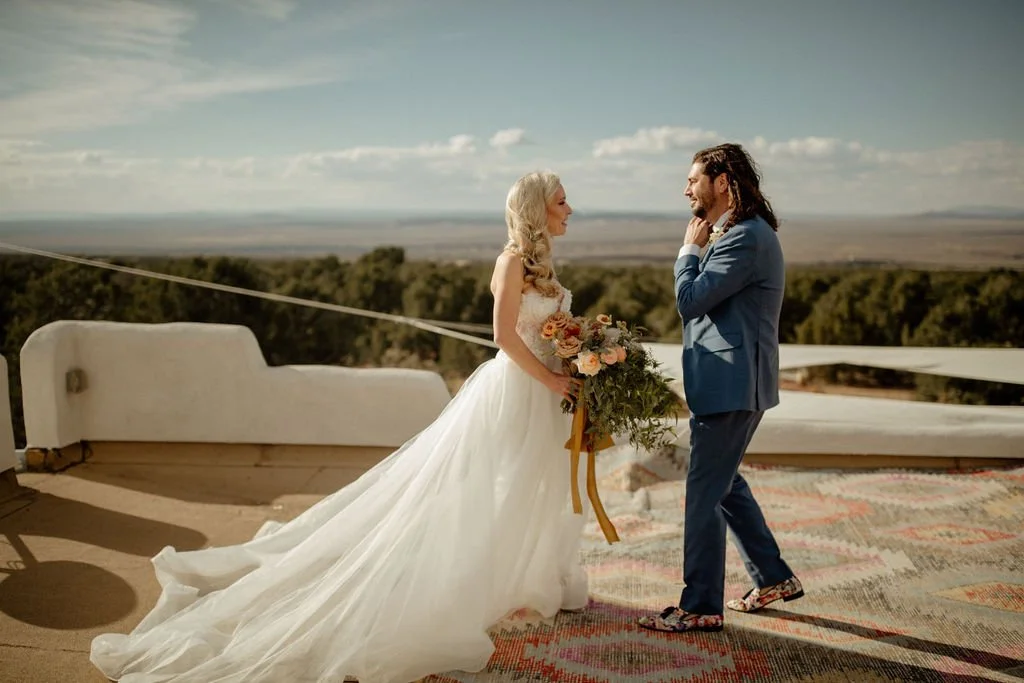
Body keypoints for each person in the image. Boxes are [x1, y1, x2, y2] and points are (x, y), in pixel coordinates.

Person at [90, 171, 591, 682]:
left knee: (537, 487)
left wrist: (581, 359)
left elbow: (551, 331)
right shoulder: (510, 262)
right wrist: (550, 378)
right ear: (536, 210)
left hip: (548, 391)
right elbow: (504, 336)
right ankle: (458, 587)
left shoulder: (544, 265)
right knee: (482, 494)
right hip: (518, 390)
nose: (570, 208)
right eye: (561, 201)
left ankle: (531, 578)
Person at [637, 143, 803, 634]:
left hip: (733, 385)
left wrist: (688, 249)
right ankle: (774, 577)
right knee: (725, 483)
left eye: (693, 179)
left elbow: (690, 302)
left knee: (704, 492)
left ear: (723, 181)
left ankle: (701, 605)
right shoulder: (741, 233)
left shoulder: (743, 239)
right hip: (734, 382)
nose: (686, 187)